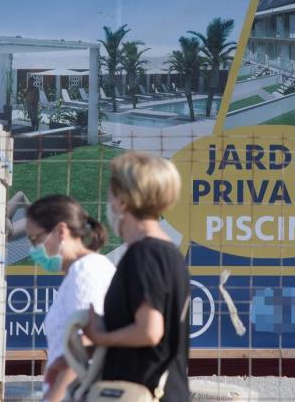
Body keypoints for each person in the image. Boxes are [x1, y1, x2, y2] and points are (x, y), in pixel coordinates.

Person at [84, 152, 190, 402]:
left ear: (123, 201)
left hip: (139, 391)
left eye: (111, 195)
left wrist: (100, 337)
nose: (109, 203)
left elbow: (149, 331)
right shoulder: (170, 254)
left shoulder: (144, 254)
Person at [25, 195, 116, 402]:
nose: (33, 250)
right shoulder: (81, 271)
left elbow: (82, 348)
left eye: (36, 239)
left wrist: (52, 399)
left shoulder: (85, 271)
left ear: (61, 231)